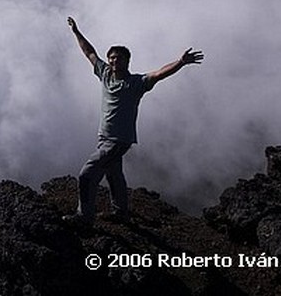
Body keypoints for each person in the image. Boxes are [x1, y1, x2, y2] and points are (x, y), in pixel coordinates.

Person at [65, 16, 203, 223]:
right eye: (111, 57)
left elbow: (158, 74)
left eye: (118, 58)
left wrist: (181, 62)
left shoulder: (136, 83)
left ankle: (84, 216)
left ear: (127, 61)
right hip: (104, 137)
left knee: (87, 174)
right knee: (114, 175)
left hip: (118, 140)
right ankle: (121, 213)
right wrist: (76, 32)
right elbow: (89, 53)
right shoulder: (105, 74)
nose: (113, 61)